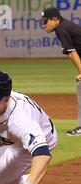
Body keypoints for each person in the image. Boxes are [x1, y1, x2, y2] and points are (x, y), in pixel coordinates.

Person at [42, 7, 81, 136]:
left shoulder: (61, 29)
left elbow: (72, 53)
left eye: (46, 21)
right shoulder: (65, 26)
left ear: (54, 20)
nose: (44, 25)